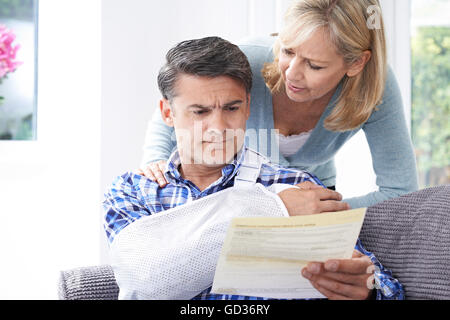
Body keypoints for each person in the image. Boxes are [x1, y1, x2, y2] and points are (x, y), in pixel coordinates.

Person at [103, 36, 403, 300]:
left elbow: (384, 283)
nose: (219, 127)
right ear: (168, 113)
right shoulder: (134, 192)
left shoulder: (300, 187)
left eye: (231, 108)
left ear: (248, 106)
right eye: (200, 112)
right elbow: (143, 283)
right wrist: (273, 208)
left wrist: (367, 290)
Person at [139, 0, 418, 209]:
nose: (292, 74)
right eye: (287, 50)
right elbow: (178, 106)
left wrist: (324, 213)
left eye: (315, 65)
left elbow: (400, 190)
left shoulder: (375, 89)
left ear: (356, 63)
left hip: (312, 196)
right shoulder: (248, 60)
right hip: (238, 194)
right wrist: (156, 163)